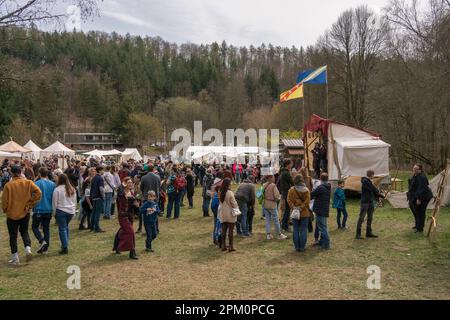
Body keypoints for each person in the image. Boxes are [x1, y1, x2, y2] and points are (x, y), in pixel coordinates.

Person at [1, 165, 42, 265]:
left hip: (12, 214)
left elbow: (4, 201)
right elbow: (38, 192)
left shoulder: (8, 185)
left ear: (11, 173)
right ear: (21, 172)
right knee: (24, 232)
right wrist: (30, 204)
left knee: (13, 236)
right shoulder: (28, 182)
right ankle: (28, 249)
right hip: (25, 212)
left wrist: (5, 209)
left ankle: (15, 258)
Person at [32, 167, 56, 254]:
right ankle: (45, 248)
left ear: (39, 173)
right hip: (48, 209)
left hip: (38, 209)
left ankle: (42, 241)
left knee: (34, 227)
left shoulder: (36, 183)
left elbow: (33, 196)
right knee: (46, 228)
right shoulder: (52, 184)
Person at [113, 177, 139, 259]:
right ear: (124, 183)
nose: (130, 184)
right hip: (123, 216)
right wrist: (122, 185)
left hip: (130, 216)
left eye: (131, 182)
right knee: (131, 232)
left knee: (122, 231)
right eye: (128, 182)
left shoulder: (131, 192)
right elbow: (119, 191)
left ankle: (117, 247)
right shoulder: (121, 192)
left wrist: (136, 205)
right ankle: (132, 252)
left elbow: (133, 204)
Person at [52, 173, 77, 255]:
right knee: (65, 228)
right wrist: (74, 210)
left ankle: (65, 246)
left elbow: (54, 203)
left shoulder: (57, 189)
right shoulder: (72, 188)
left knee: (62, 229)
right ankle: (65, 244)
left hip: (61, 210)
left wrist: (54, 213)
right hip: (70, 211)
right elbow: (75, 201)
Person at [356, 170, 384, 239]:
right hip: (365, 202)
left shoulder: (368, 181)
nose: (373, 176)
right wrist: (380, 194)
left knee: (370, 218)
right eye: (373, 175)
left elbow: (372, 191)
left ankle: (368, 233)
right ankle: (358, 234)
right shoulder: (365, 181)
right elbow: (373, 188)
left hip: (370, 202)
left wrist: (379, 197)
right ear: (371, 175)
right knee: (361, 218)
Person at [407, 164, 434, 233]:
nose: (414, 170)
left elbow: (422, 189)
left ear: (420, 170)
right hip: (415, 196)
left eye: (416, 169)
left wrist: (419, 199)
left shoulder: (422, 177)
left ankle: (420, 229)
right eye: (414, 168)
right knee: (415, 211)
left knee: (420, 212)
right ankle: (417, 225)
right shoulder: (415, 176)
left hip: (423, 197)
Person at [287, 175, 311, 252]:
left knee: (296, 229)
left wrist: (294, 207)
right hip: (304, 212)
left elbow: (289, 200)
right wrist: (301, 207)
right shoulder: (306, 190)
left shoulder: (291, 190)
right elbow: (307, 202)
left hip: (295, 213)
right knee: (303, 230)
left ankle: (297, 247)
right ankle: (302, 247)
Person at [263, 173, 287, 240]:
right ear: (270, 178)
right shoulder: (273, 186)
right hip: (272, 204)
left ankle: (268, 234)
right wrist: (279, 198)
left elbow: (259, 193)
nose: (274, 178)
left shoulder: (264, 185)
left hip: (265, 203)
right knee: (276, 219)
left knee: (267, 219)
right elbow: (276, 196)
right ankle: (279, 234)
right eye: (273, 177)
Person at [311, 173, 331, 249]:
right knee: (323, 226)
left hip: (320, 209)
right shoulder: (328, 186)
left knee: (322, 227)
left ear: (320, 179)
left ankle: (326, 244)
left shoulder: (321, 187)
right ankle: (322, 241)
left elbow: (312, 194)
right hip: (324, 209)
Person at [218, 178, 239, 252]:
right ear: (228, 184)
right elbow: (234, 204)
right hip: (230, 212)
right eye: (230, 183)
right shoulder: (230, 193)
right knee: (230, 230)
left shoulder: (220, 191)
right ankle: (231, 246)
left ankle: (223, 245)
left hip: (222, 212)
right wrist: (237, 210)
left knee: (223, 230)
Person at [278, 159, 294, 232]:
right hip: (287, 192)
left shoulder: (283, 172)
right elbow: (292, 182)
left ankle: (284, 225)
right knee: (287, 210)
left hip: (284, 192)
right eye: (291, 164)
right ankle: (285, 226)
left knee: (286, 210)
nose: (292, 165)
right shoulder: (286, 173)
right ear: (287, 165)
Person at [90, 166, 106, 233]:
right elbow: (101, 189)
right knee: (97, 213)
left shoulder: (94, 178)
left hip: (94, 197)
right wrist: (103, 197)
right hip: (99, 197)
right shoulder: (100, 178)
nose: (103, 171)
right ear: (99, 170)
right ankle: (97, 227)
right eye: (103, 170)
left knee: (94, 212)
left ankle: (92, 226)